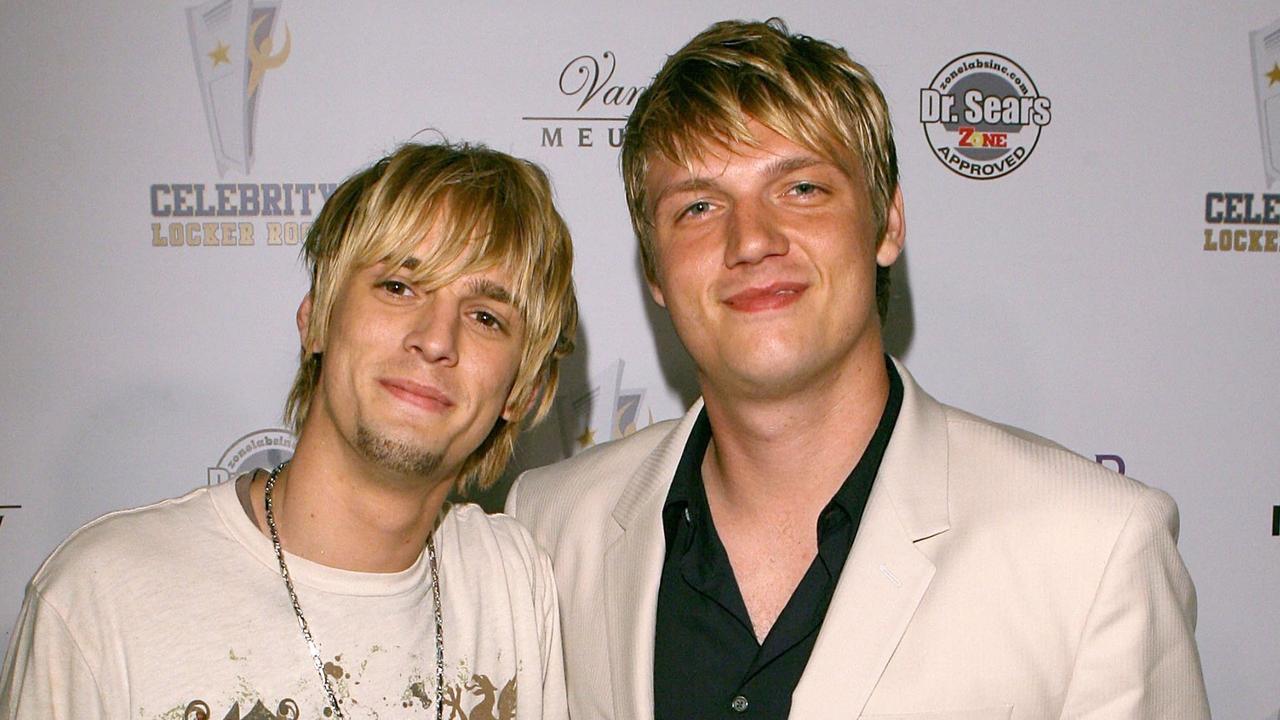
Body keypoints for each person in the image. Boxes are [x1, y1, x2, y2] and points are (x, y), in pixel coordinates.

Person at [506, 19, 1210, 720]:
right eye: (697, 206)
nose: (751, 239)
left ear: (887, 224)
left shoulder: (1092, 548)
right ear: (654, 269)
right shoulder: (551, 529)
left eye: (802, 189)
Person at [1, 142, 578, 720]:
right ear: (317, 320)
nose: (435, 339)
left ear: (522, 392)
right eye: (399, 287)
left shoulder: (513, 583)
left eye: (486, 318)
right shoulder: (101, 599)